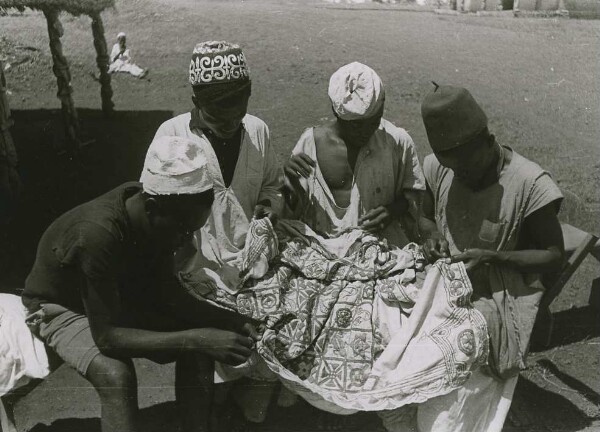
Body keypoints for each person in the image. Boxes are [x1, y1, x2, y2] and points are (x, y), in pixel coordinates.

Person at [21, 136, 260, 432]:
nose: (186, 240)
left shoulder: (159, 216)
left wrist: (229, 320)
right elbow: (107, 337)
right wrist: (197, 337)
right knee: (116, 375)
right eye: (183, 230)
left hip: (116, 295)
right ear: (151, 207)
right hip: (61, 306)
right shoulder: (97, 235)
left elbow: (168, 293)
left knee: (201, 344)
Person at [412, 83, 565, 432]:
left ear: (487, 139)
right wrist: (432, 237)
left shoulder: (529, 182)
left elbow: (554, 255)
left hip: (498, 294)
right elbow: (423, 217)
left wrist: (494, 258)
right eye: (454, 169)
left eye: (467, 166)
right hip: (447, 283)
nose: (461, 175)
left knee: (454, 363)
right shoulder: (439, 167)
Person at [153, 41, 283, 429]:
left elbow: (273, 186)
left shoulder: (257, 131)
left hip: (250, 268)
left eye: (237, 111)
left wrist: (270, 207)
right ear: (195, 100)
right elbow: (155, 210)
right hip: (194, 270)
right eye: (216, 114)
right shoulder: (171, 135)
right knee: (203, 356)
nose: (228, 123)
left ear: (249, 96)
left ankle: (240, 406)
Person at [284, 62, 425, 248]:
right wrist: (290, 180)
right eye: (356, 125)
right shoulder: (310, 144)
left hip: (379, 249)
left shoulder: (397, 142)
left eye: (373, 121)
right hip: (320, 249)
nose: (365, 132)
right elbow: (289, 210)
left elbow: (415, 198)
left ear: (382, 106)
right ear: (336, 112)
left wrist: (393, 210)